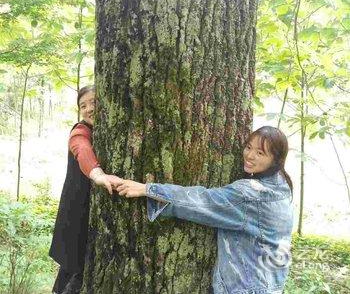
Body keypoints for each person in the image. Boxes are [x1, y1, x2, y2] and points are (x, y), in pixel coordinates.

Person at [115, 126, 294, 294]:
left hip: (247, 287)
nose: (250, 155)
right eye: (248, 147)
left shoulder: (249, 194)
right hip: (272, 284)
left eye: (260, 153)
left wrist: (148, 189)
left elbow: (202, 202)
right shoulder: (282, 186)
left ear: (275, 160)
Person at [49, 85, 119, 294]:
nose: (89, 109)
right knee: (75, 270)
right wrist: (97, 174)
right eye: (83, 105)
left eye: (94, 102)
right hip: (76, 215)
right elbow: (82, 150)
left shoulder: (103, 131)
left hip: (86, 216)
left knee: (73, 269)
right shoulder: (80, 131)